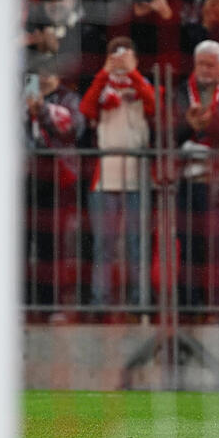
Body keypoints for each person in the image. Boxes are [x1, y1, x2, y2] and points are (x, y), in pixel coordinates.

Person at [79, 36, 155, 311]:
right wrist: (104, 73)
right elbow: (86, 109)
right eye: (115, 55)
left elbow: (155, 105)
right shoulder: (102, 86)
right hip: (105, 177)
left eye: (126, 56)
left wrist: (132, 73)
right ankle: (100, 300)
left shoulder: (143, 83)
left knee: (137, 242)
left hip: (137, 176)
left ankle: (139, 300)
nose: (120, 60)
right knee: (104, 243)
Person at [174, 39, 219, 318]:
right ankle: (190, 306)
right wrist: (188, 125)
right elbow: (164, 133)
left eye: (211, 64)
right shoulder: (179, 95)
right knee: (189, 247)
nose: (205, 70)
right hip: (187, 184)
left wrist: (215, 125)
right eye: (201, 64)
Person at [24, 58, 85, 323]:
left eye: (50, 73)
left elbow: (74, 128)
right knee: (23, 243)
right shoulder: (20, 100)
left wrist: (44, 111)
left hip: (58, 178)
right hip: (26, 177)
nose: (45, 78)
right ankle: (25, 305)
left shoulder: (68, 99)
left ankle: (52, 305)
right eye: (40, 74)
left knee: (53, 244)